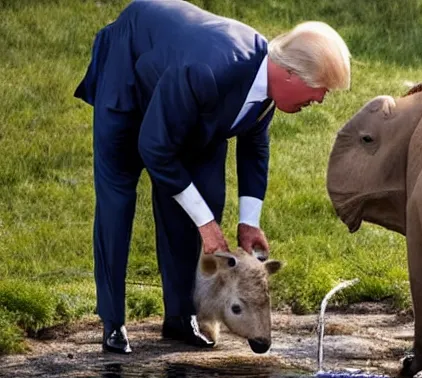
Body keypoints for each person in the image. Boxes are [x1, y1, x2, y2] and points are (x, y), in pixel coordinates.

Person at [75, 0, 351, 354]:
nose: (321, 99)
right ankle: (113, 322)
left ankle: (179, 317)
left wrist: (248, 222)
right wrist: (207, 225)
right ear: (290, 74)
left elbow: (254, 147)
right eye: (320, 89)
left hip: (192, 104)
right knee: (118, 201)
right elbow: (155, 149)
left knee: (199, 199)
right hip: (129, 75)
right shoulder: (208, 70)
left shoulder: (266, 81)